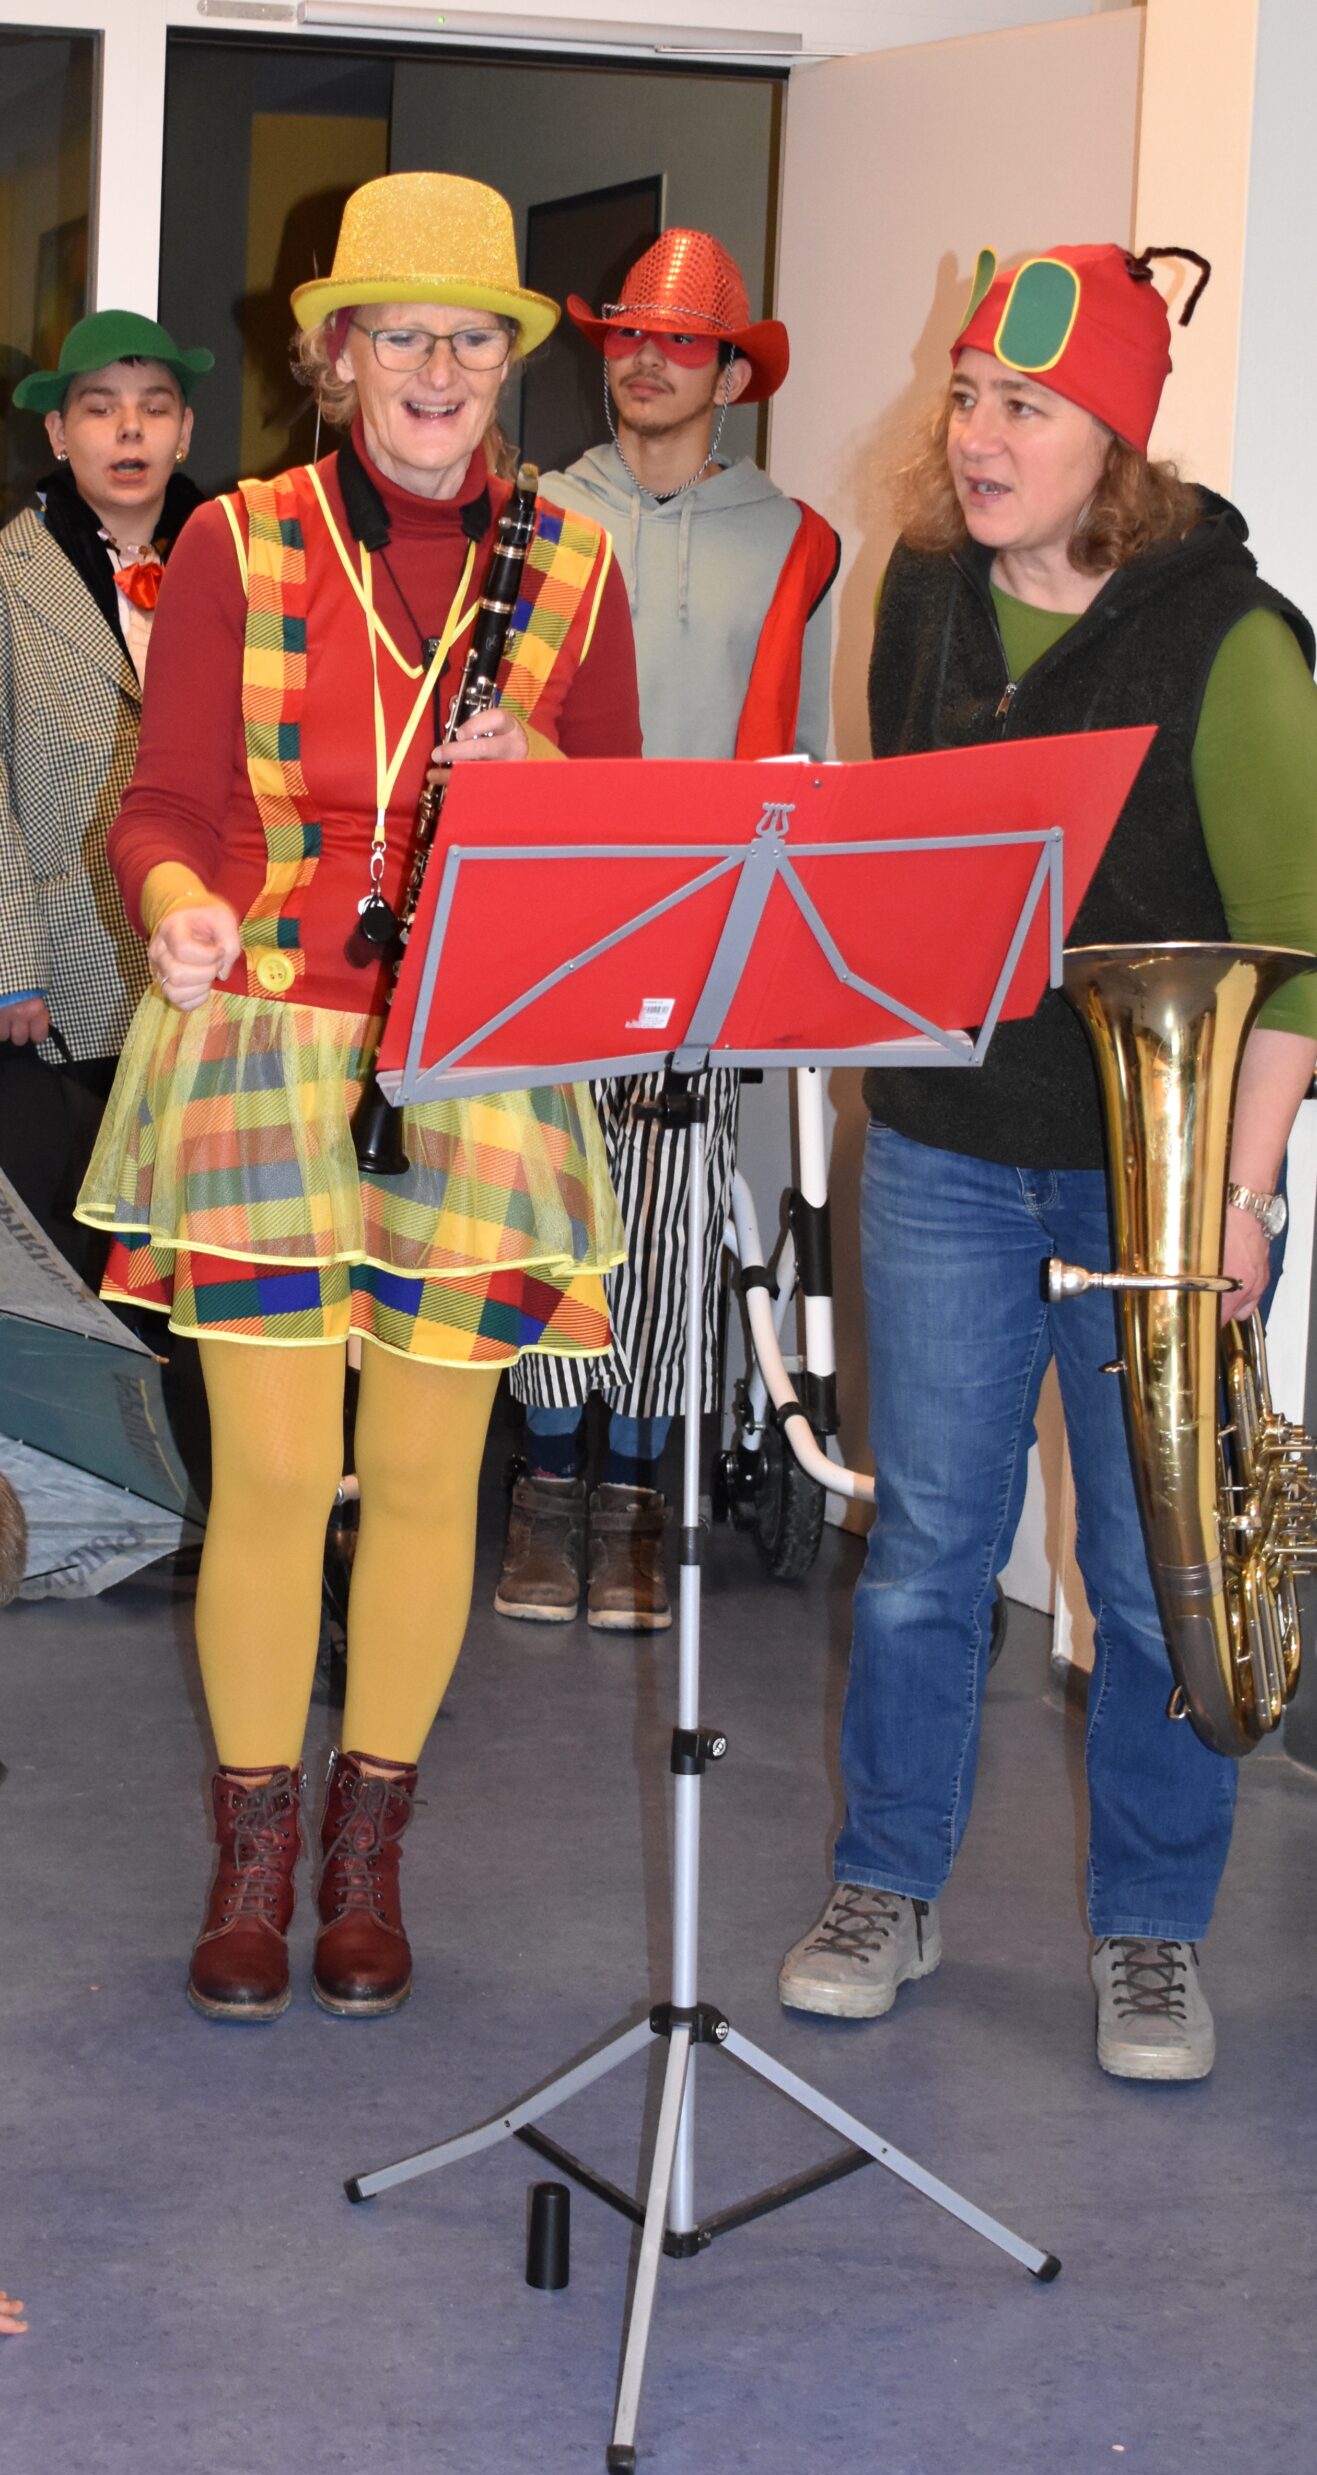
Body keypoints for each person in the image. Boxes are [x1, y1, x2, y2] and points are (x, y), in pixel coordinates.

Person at [75, 173, 641, 2024]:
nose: (437, 368)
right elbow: (163, 805)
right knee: (268, 1474)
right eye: (400, 334)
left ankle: (368, 1853)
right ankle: (253, 1855)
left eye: (470, 338)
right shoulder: (238, 539)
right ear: (336, 355)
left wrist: (542, 770)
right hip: (259, 1037)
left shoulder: (570, 566)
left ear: (506, 362)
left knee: (420, 1478)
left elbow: (624, 839)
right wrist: (176, 903)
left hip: (475, 1062)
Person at [778, 241, 1317, 2081]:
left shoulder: (1230, 635)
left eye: (1025, 406)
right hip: (942, 1143)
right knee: (924, 1548)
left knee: (1153, 1569)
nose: (977, 435)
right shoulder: (922, 589)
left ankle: (1151, 1933)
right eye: (965, 397)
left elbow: (1301, 948)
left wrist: (1241, 1197)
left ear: (1118, 443)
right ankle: (885, 1884)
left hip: (1153, 1182)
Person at [496, 229, 839, 1634]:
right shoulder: (532, 513)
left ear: (729, 377)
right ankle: (545, 1488)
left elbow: (803, 756)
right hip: (551, 916)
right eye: (629, 334)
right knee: (548, 1206)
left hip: (704, 927)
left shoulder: (797, 540)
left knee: (674, 1220)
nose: (646, 360)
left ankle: (635, 1499)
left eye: (681, 342)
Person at [0, 313, 209, 1281]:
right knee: (75, 1245)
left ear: (185, 431)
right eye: (100, 409)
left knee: (185, 1241)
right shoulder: (11, 574)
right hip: (63, 967)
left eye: (154, 409)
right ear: (57, 433)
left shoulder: (243, 563)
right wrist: (11, 959)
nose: (130, 431)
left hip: (201, 951)